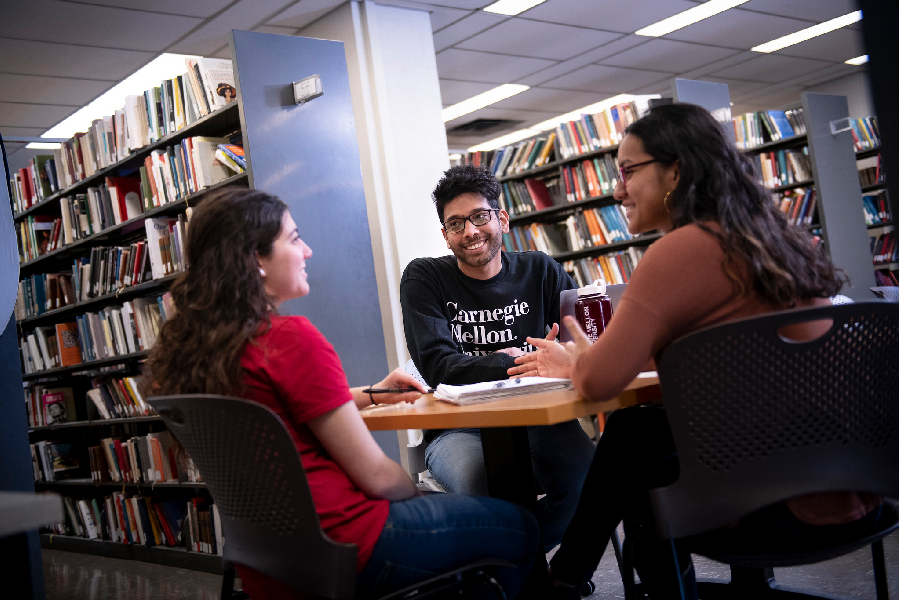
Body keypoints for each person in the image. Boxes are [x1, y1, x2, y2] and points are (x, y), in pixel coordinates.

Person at [508, 103, 884, 599]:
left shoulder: (680, 250)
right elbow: (709, 359)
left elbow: (599, 384)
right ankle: (566, 577)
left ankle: (564, 579)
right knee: (641, 431)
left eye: (627, 171)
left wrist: (576, 361)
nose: (617, 189)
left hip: (777, 505)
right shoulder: (774, 238)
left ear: (676, 171)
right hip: (856, 482)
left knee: (638, 459)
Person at [146, 187, 540, 600]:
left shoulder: (199, 354)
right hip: (351, 543)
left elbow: (280, 408)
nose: (309, 251)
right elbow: (378, 478)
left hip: (270, 558)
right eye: (295, 238)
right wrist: (416, 495)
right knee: (519, 525)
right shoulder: (289, 340)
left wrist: (369, 394)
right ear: (254, 259)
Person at [400, 164, 595, 548]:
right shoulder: (424, 279)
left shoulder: (540, 270)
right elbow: (439, 367)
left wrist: (566, 356)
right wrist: (523, 362)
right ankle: (514, 571)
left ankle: (515, 571)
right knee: (487, 491)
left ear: (502, 219)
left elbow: (586, 344)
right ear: (445, 235)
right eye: (456, 224)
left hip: (540, 419)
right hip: (458, 427)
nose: (469, 231)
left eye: (479, 216)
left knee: (589, 477)